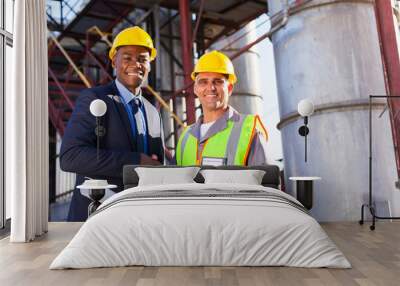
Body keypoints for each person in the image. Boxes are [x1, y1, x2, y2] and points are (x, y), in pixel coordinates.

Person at [60, 26, 164, 221]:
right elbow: (70, 156)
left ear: (149, 65)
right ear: (114, 61)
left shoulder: (152, 111)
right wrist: (136, 161)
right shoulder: (94, 98)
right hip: (97, 218)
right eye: (127, 58)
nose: (135, 64)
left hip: (141, 218)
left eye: (142, 59)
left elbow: (158, 164)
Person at [176, 50, 268, 166]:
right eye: (203, 82)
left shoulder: (249, 129)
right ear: (195, 89)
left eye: (218, 82)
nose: (211, 88)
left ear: (229, 88)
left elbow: (265, 181)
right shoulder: (185, 137)